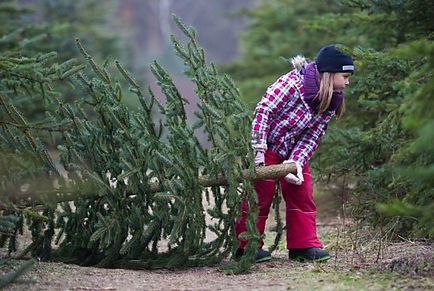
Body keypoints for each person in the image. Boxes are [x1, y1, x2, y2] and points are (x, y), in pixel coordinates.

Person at [234, 44, 354, 263]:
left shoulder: (330, 98)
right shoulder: (292, 83)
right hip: (267, 146)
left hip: (293, 153)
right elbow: (264, 110)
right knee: (259, 195)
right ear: (330, 73)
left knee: (302, 193)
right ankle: (246, 245)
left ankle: (303, 246)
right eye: (345, 76)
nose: (347, 82)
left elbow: (313, 134)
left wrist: (296, 161)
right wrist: (258, 151)